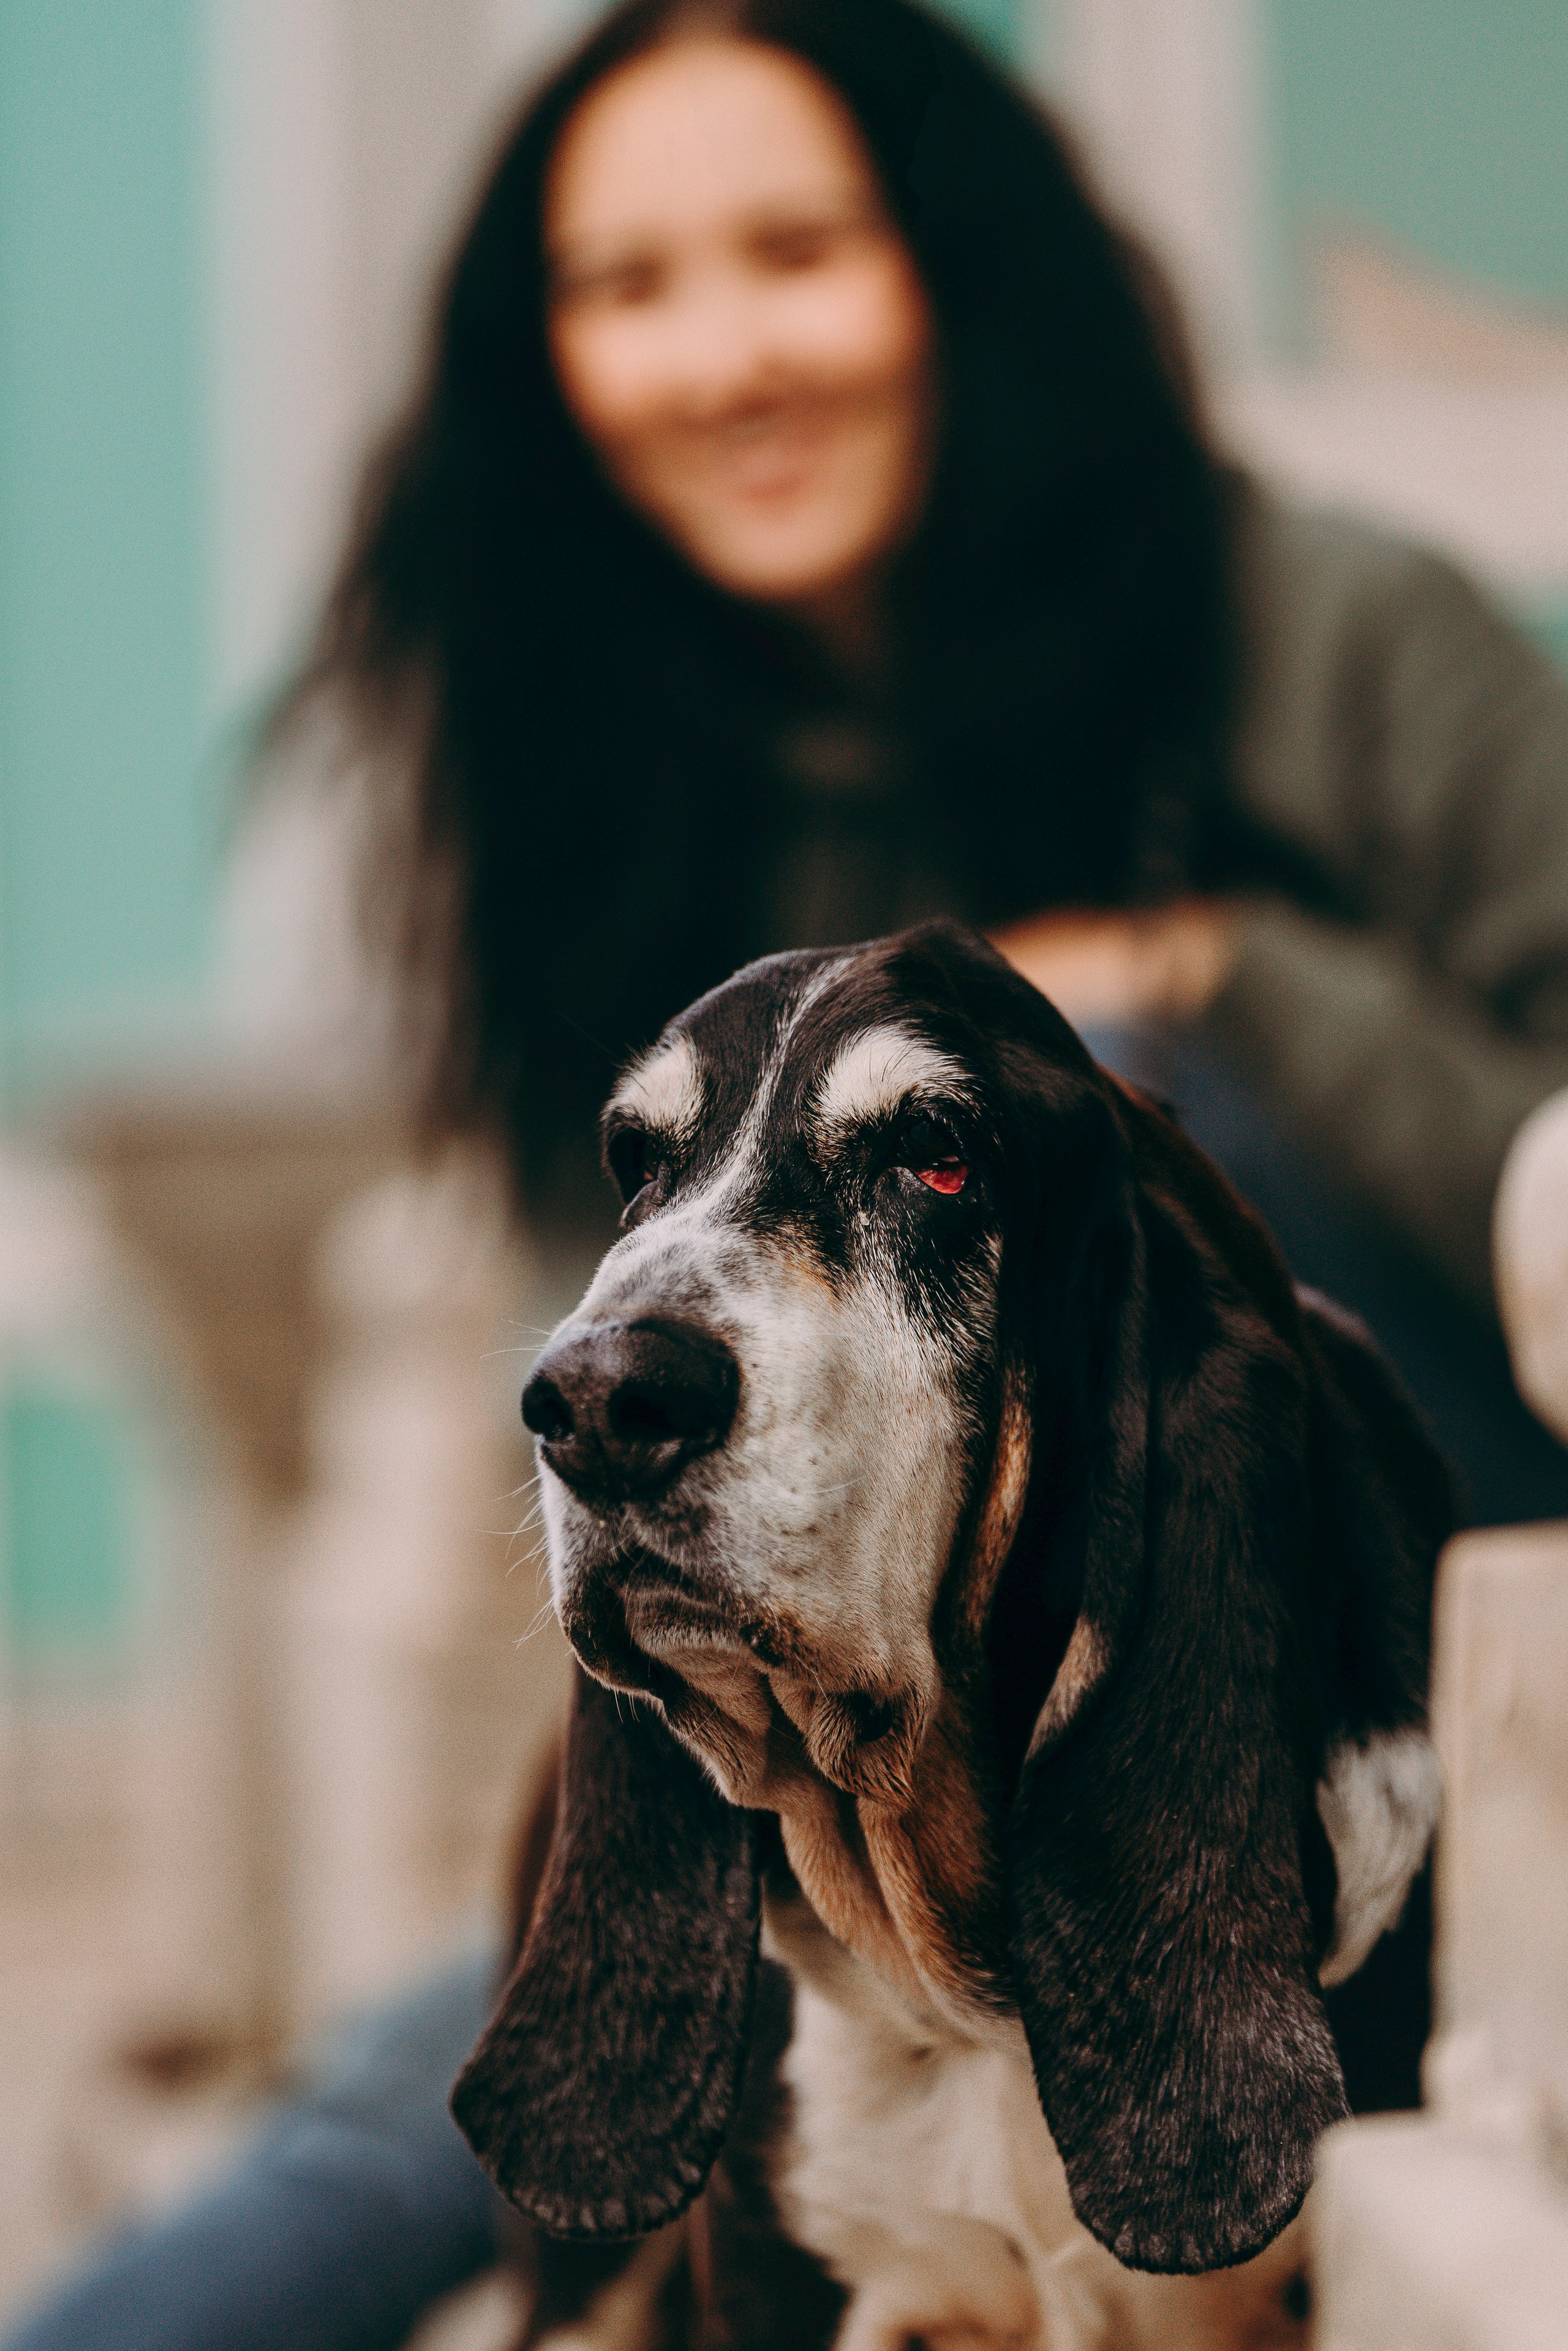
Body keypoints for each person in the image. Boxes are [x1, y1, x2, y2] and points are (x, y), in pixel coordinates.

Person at [9, 1, 1567, 2344]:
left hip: (1383, 1572)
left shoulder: (1337, 633)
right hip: (919, 1695)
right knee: (448, 2069)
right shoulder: (633, 796)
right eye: (627, 284)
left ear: (956, 271)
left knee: (1128, 1092)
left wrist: (1223, 974)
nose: (722, 351)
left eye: (795, 249)